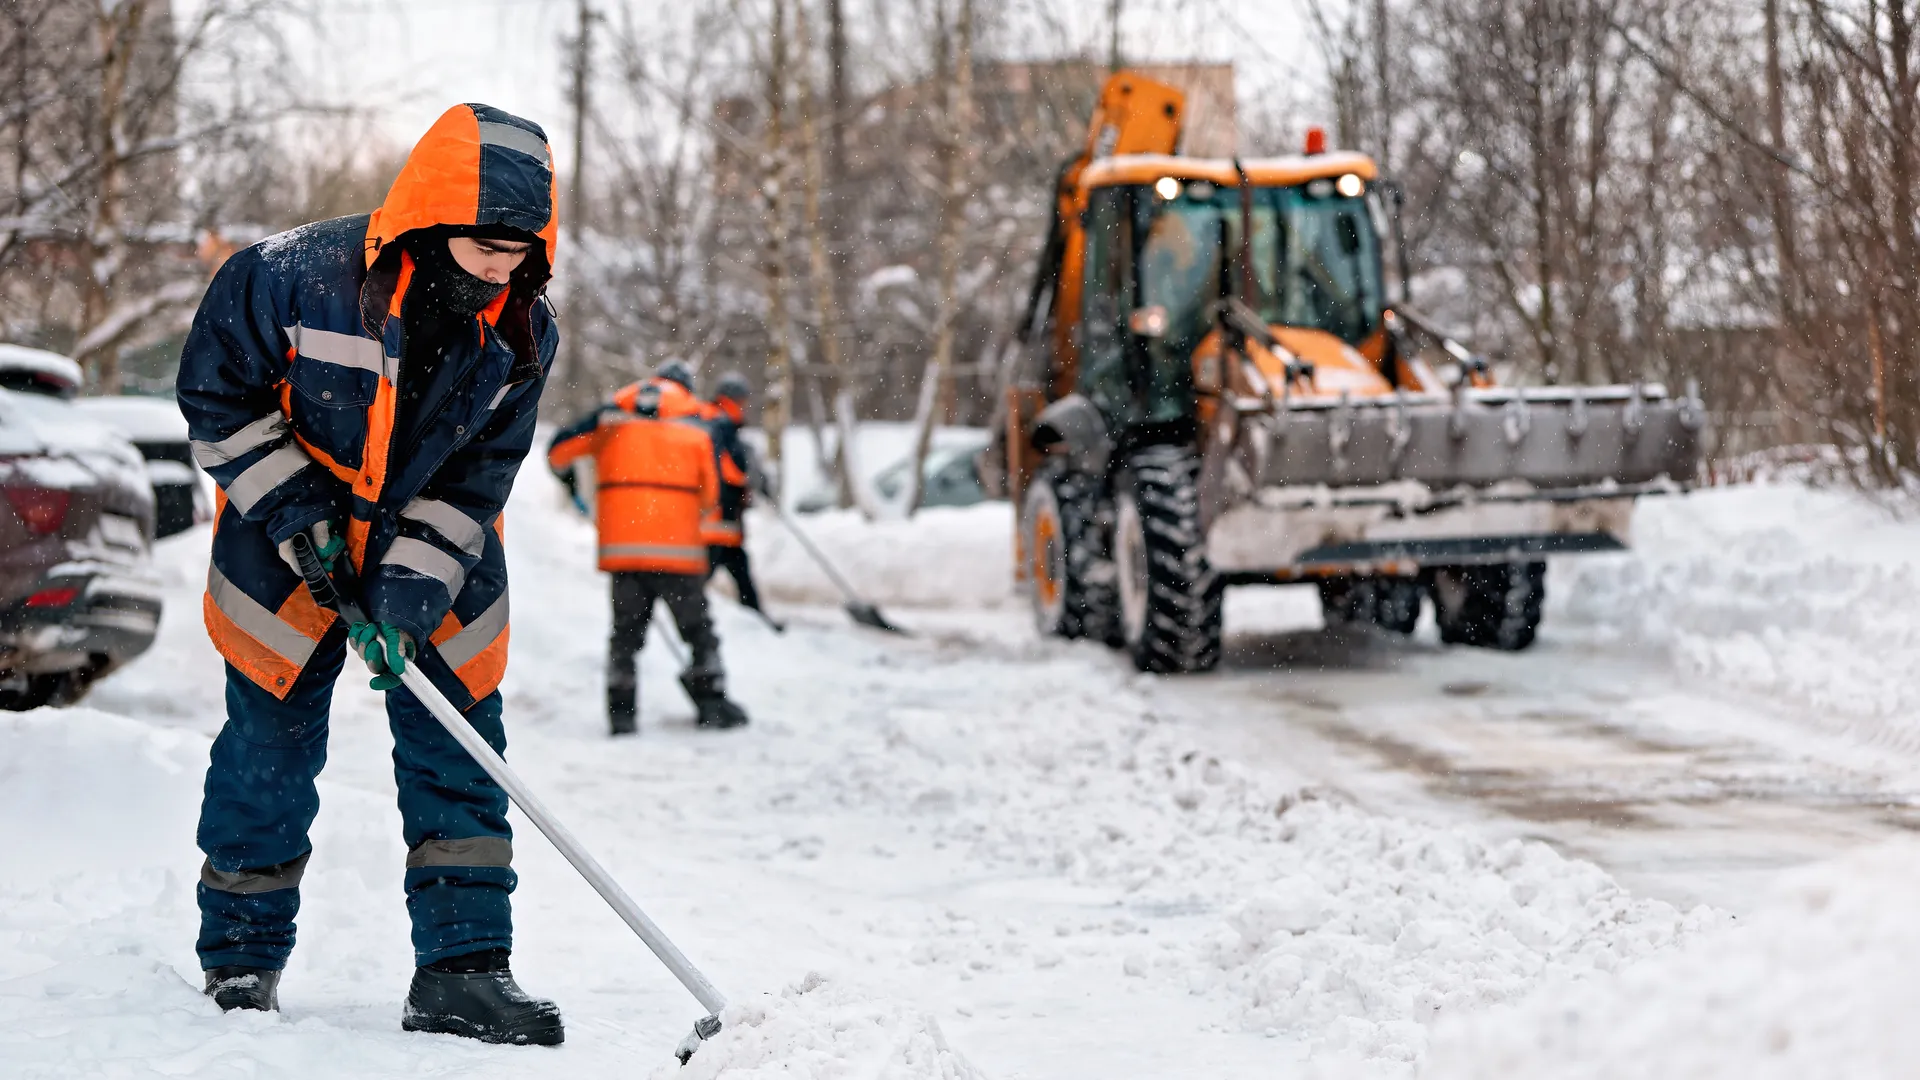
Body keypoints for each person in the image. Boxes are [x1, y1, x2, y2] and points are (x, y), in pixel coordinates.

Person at [177, 103, 564, 1045]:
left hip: (438, 557)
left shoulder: (524, 329)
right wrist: (301, 519)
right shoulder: (289, 276)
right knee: (267, 751)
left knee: (460, 750)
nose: (501, 271)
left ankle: (464, 972)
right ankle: (240, 962)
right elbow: (215, 398)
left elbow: (479, 475)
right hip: (283, 548)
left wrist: (407, 592)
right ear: (432, 220)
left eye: (519, 254)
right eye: (486, 249)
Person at [547, 364, 751, 736]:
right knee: (699, 632)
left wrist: (573, 484)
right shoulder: (699, 425)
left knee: (624, 637)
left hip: (624, 553)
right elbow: (712, 493)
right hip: (680, 553)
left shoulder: (611, 418)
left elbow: (558, 452)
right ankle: (711, 702)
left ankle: (621, 714)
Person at [698, 372, 772, 620]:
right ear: (733, 399)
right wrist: (752, 478)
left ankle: (756, 619)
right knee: (699, 580)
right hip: (716, 520)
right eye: (743, 401)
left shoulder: (711, 420)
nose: (745, 406)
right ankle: (690, 623)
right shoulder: (721, 423)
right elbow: (728, 468)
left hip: (724, 521)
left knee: (739, 569)